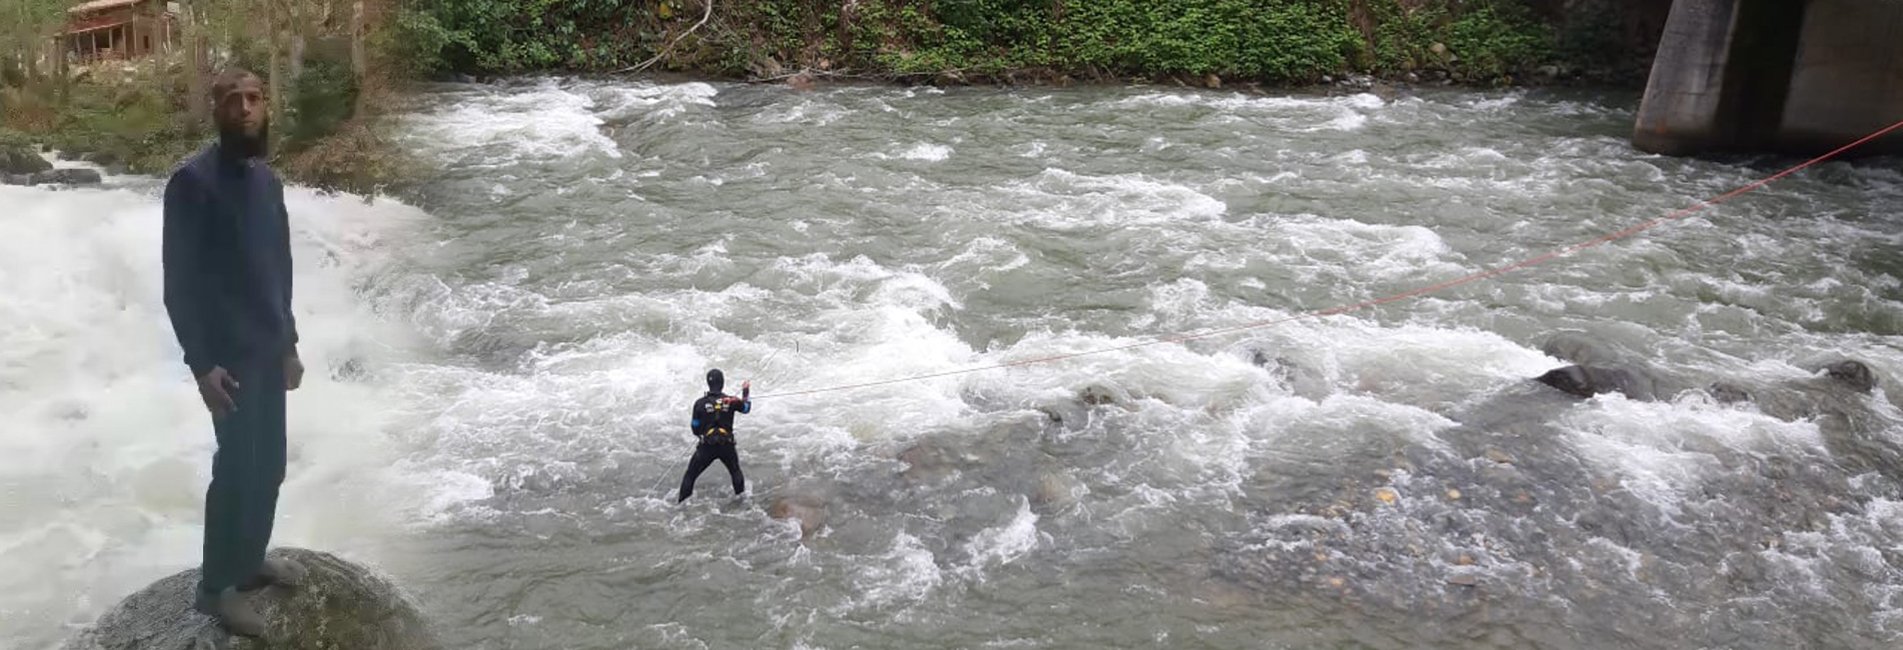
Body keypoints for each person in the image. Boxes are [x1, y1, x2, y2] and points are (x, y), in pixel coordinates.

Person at [162, 67, 305, 637]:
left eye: (254, 98)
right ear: (216, 109)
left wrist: (289, 343)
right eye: (232, 100)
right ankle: (216, 587)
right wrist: (201, 365)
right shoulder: (192, 183)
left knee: (270, 466)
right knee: (237, 470)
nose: (245, 109)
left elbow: (280, 270)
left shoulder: (267, 182)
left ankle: (249, 561)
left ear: (266, 106)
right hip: (229, 358)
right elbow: (179, 286)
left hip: (268, 349)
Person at [678, 369, 751, 502]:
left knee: (690, 475)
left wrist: (703, 431)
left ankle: (681, 504)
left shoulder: (700, 403)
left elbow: (695, 428)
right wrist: (745, 391)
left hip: (707, 446)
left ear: (708, 383)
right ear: (722, 383)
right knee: (735, 471)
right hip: (727, 445)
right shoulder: (731, 401)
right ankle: (742, 502)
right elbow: (746, 408)